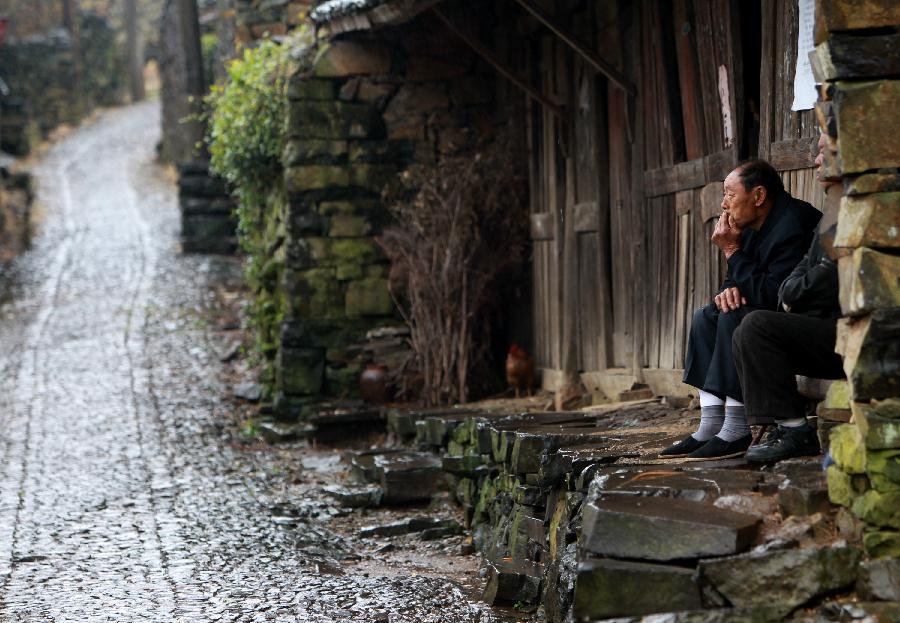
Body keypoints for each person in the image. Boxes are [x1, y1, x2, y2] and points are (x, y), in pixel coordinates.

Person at [660, 159, 821, 461]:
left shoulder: (793, 224)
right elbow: (738, 279)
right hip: (765, 313)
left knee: (735, 317)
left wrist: (731, 252)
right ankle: (710, 425)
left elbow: (778, 295)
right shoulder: (748, 225)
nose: (723, 204)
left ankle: (736, 428)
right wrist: (727, 290)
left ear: (758, 196)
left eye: (730, 195)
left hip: (801, 324)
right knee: (707, 315)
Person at [735, 134, 846, 463]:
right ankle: (779, 426)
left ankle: (795, 431)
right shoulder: (832, 209)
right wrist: (794, 293)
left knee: (756, 326)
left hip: (851, 336)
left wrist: (794, 295)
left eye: (824, 153)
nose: (816, 161)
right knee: (741, 324)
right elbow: (796, 278)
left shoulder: (853, 209)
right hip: (825, 323)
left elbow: (828, 278)